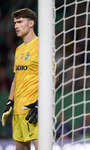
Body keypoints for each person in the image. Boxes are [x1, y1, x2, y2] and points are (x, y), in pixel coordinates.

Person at [0, 8, 39, 150]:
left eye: (20, 22)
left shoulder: (41, 46)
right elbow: (16, 78)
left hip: (33, 111)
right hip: (18, 112)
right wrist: (10, 101)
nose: (16, 26)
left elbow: (54, 77)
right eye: (15, 23)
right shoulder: (19, 49)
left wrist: (40, 103)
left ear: (31, 23)